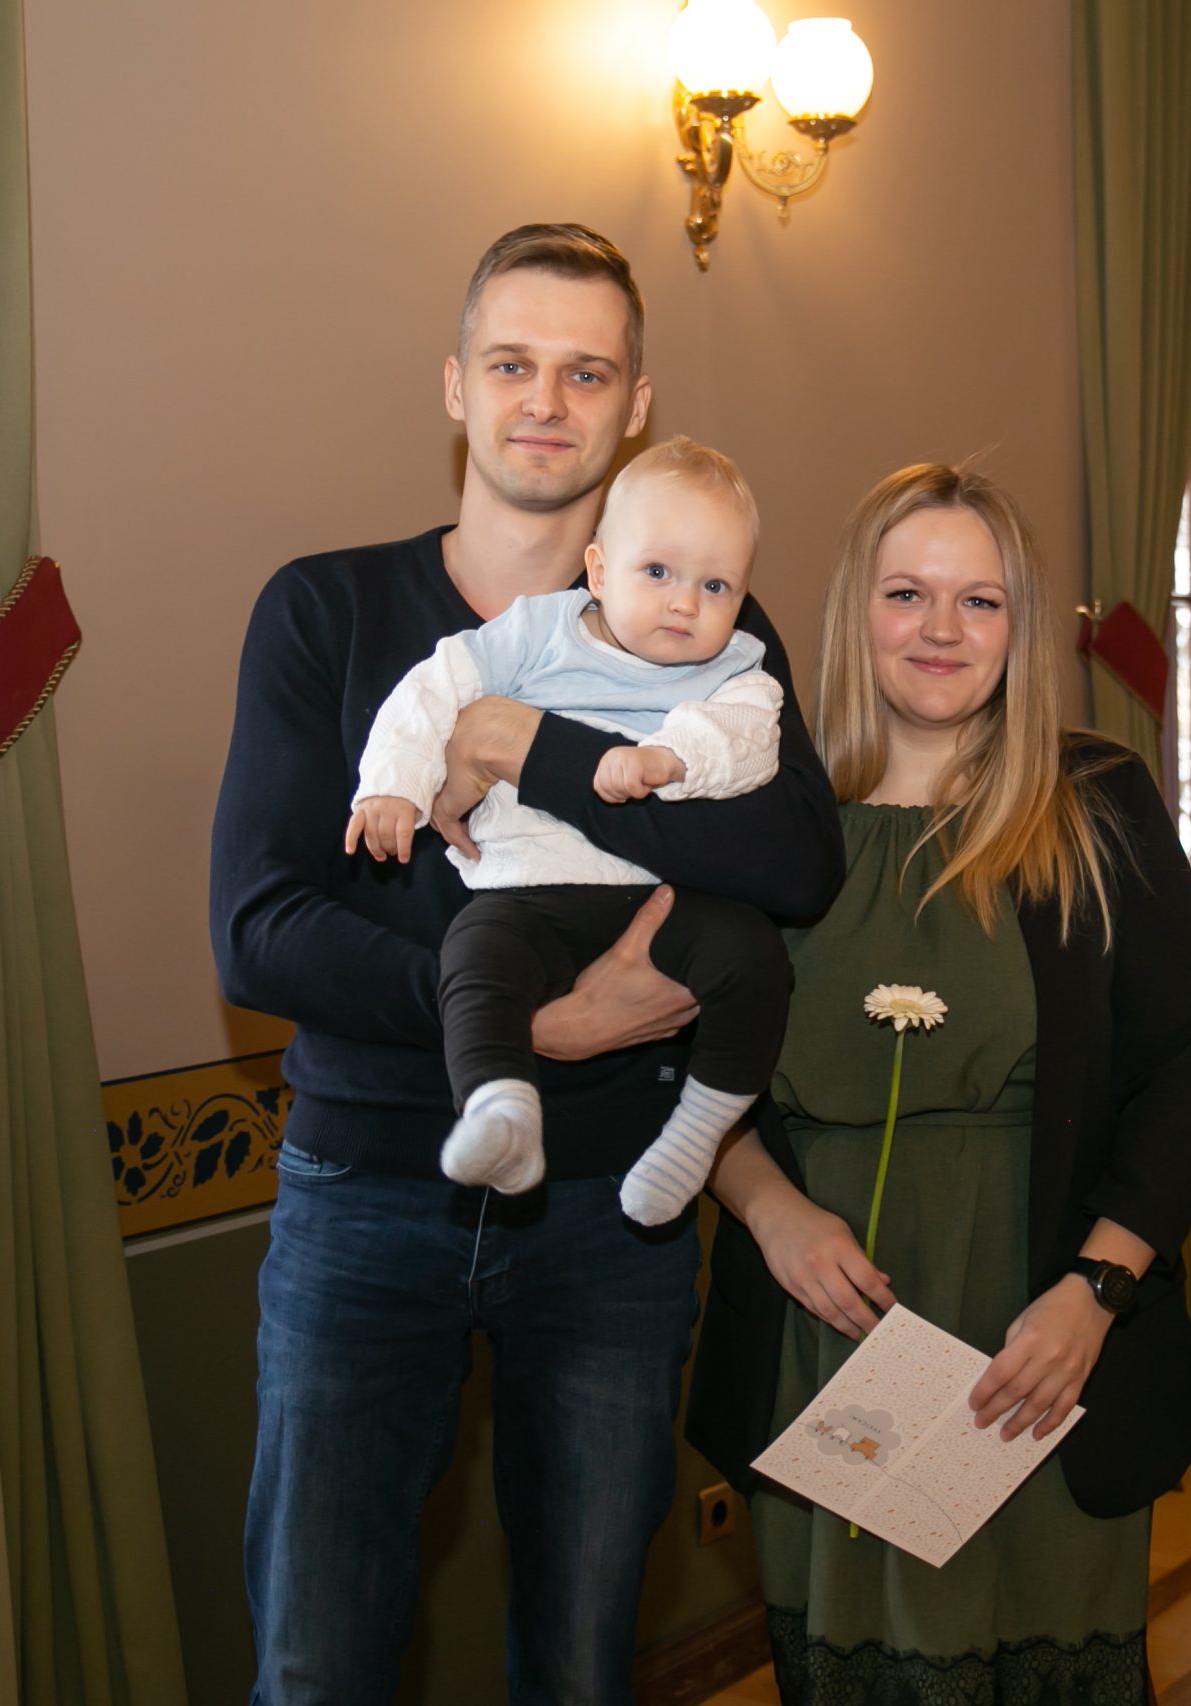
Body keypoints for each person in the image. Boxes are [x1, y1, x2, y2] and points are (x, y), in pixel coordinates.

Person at [210, 224, 843, 1704]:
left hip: (611, 1214)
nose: (545, 400)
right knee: (316, 1662)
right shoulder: (327, 610)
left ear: (636, 405)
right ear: (456, 386)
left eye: (586, 371)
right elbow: (259, 925)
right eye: (510, 364)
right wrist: (529, 1022)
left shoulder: (709, 624)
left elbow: (795, 863)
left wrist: (528, 750)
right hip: (369, 1191)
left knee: (580, 1660)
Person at [684, 464, 1191, 1704]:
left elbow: (1176, 1079)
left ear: (1018, 625)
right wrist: (770, 1208)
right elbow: (694, 1068)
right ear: (854, 609)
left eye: (979, 600)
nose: (940, 628)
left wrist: (1096, 1291)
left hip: (1038, 1344)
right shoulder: (754, 812)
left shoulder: (1096, 804)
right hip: (821, 1329)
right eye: (907, 593)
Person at [346, 435, 792, 1226]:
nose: (685, 603)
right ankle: (501, 1109)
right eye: (658, 572)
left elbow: (749, 742)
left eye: (716, 585)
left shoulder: (735, 670)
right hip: (528, 893)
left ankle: (698, 1129)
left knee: (753, 957)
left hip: (659, 905)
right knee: (475, 959)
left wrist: (669, 758)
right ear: (599, 571)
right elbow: (434, 686)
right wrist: (391, 786)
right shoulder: (536, 633)